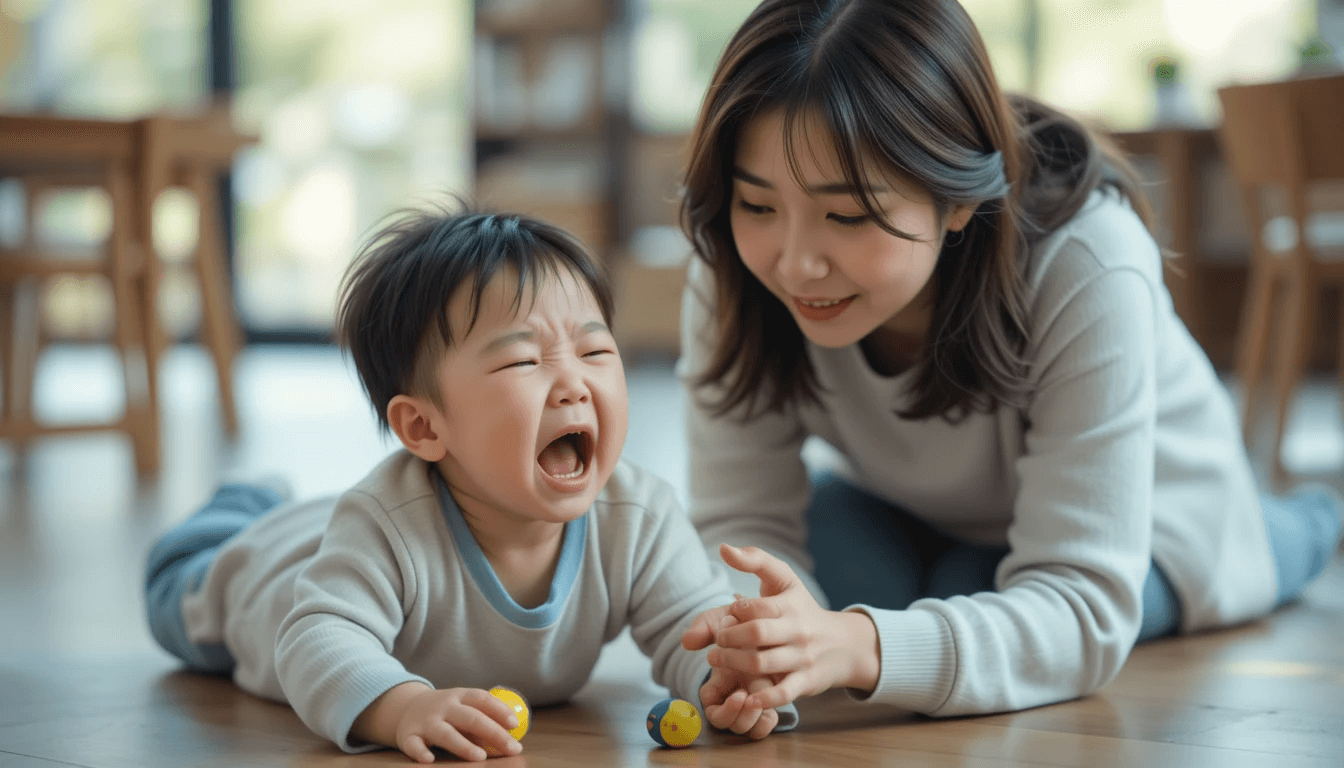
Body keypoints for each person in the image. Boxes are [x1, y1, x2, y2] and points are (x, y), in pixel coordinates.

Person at [675, 0, 1343, 718]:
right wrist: (752, 662)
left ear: (957, 197)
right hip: (925, 505)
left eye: (847, 215)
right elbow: (738, 534)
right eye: (758, 204)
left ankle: (1308, 520)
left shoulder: (1091, 259)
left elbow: (1082, 607)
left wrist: (862, 647)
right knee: (858, 572)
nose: (797, 263)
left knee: (980, 587)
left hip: (1159, 514)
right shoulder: (734, 274)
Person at [143, 207, 795, 763]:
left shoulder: (638, 516)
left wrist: (726, 680)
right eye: (523, 360)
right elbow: (316, 641)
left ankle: (272, 504)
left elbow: (690, 622)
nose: (573, 382)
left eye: (595, 352)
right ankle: (242, 508)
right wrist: (402, 707)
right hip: (255, 583)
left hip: (333, 535)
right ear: (424, 426)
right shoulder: (383, 526)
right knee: (188, 583)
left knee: (325, 527)